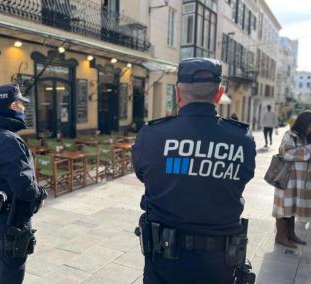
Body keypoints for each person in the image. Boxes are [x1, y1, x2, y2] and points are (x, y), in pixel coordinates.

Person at [132, 58, 256, 284]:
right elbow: (243, 178)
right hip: (220, 265)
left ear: (178, 93)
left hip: (165, 262)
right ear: (219, 94)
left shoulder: (151, 135)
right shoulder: (242, 140)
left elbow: (143, 174)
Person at [0, 83, 47, 284]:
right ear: (13, 106)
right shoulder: (8, 140)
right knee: (13, 266)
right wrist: (41, 194)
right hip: (13, 213)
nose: (23, 107)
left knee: (3, 257)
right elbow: (24, 187)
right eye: (21, 104)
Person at [272, 110, 311, 248]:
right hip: (287, 178)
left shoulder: (307, 137)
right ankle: (280, 236)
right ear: (303, 124)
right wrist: (307, 151)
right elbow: (285, 153)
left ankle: (291, 234)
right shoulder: (289, 135)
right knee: (283, 206)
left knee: (292, 206)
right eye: (310, 125)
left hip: (300, 180)